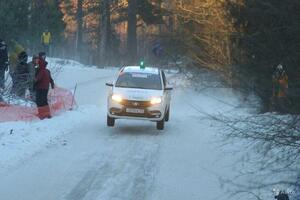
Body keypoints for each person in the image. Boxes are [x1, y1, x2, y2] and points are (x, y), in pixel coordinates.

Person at [34, 52, 54, 119]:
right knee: (44, 100)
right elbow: (51, 79)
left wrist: (33, 83)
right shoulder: (47, 71)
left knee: (39, 101)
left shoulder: (41, 71)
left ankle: (42, 114)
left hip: (40, 88)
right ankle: (46, 114)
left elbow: (37, 79)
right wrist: (52, 84)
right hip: (45, 88)